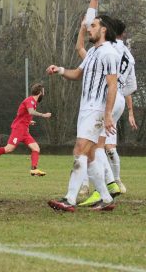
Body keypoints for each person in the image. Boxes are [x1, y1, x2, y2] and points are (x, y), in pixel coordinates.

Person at [46, 14, 121, 212]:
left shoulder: (109, 53)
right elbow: (78, 74)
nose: (89, 29)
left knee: (79, 150)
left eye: (93, 25)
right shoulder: (93, 53)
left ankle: (69, 200)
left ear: (103, 29)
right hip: (86, 109)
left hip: (96, 110)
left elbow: (112, 86)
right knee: (90, 156)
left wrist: (107, 115)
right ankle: (106, 198)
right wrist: (60, 69)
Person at [75, 0, 137, 205]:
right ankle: (108, 184)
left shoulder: (106, 48)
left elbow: (86, 24)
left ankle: (106, 186)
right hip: (119, 97)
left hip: (105, 98)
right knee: (100, 145)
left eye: (97, 25)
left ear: (105, 29)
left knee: (94, 146)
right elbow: (131, 88)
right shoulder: (128, 54)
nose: (93, 27)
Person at [0, 83, 52, 176]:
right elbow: (30, 111)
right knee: (9, 149)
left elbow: (21, 113)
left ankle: (34, 169)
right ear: (40, 92)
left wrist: (28, 121)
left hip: (24, 130)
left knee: (36, 148)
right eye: (43, 92)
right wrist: (43, 115)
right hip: (19, 129)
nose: (44, 94)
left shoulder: (33, 102)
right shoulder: (30, 100)